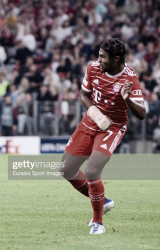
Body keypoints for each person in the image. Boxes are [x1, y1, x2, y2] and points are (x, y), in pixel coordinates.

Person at [60, 38, 146, 235]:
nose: (98, 60)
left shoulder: (130, 79)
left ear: (116, 59)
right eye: (99, 55)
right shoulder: (93, 68)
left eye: (102, 57)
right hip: (90, 122)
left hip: (112, 128)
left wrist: (128, 100)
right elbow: (83, 95)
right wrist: (96, 114)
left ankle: (98, 223)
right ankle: (103, 202)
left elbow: (142, 114)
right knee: (66, 170)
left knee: (91, 171)